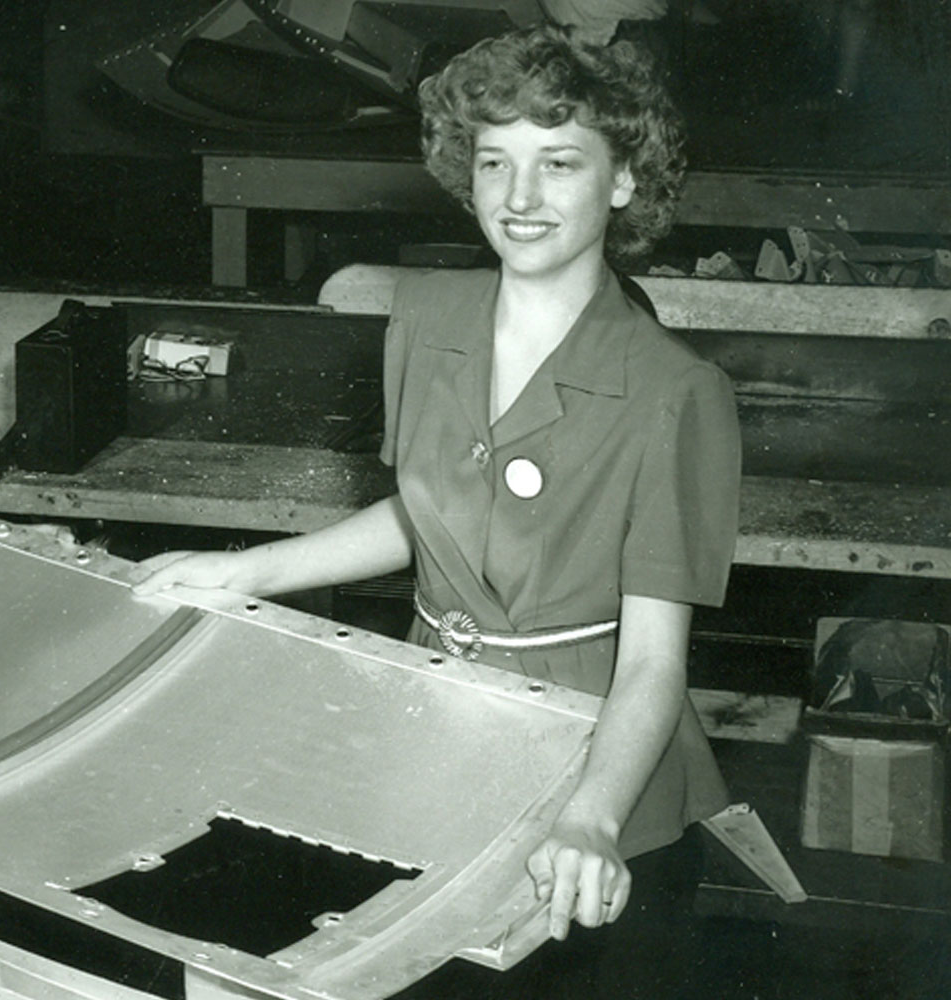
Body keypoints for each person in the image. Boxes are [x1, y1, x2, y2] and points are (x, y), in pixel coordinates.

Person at [135, 23, 737, 997]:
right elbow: (429, 513)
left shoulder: (675, 391)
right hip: (433, 733)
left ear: (623, 179)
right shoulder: (424, 316)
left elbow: (652, 662)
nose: (520, 196)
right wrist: (245, 570)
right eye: (495, 161)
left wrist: (589, 817)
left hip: (596, 775)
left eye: (559, 162)